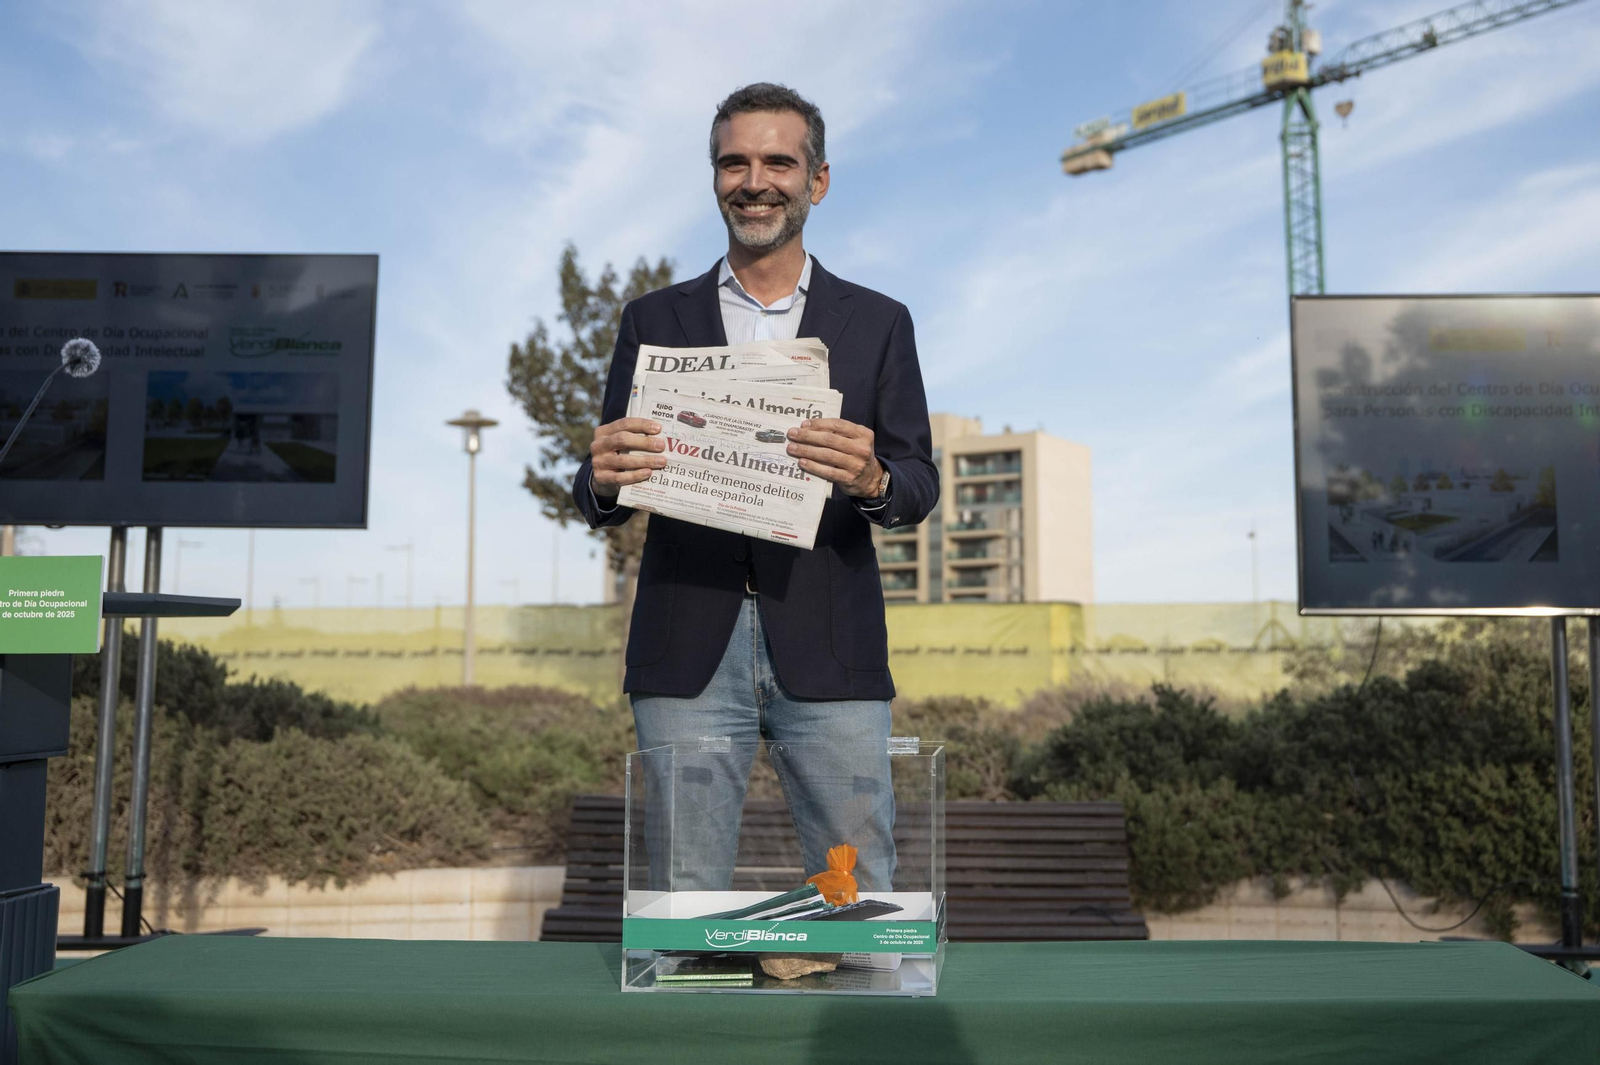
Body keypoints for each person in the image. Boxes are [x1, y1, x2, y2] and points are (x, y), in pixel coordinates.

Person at [572, 83, 938, 894]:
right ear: (714, 178)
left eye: (779, 160)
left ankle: (860, 1019)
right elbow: (602, 485)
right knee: (682, 891)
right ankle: (687, 1019)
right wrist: (600, 479)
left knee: (858, 890)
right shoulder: (652, 320)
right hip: (686, 649)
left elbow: (918, 482)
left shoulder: (879, 322)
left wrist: (874, 477)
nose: (755, 179)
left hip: (831, 646)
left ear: (819, 179)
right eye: (733, 162)